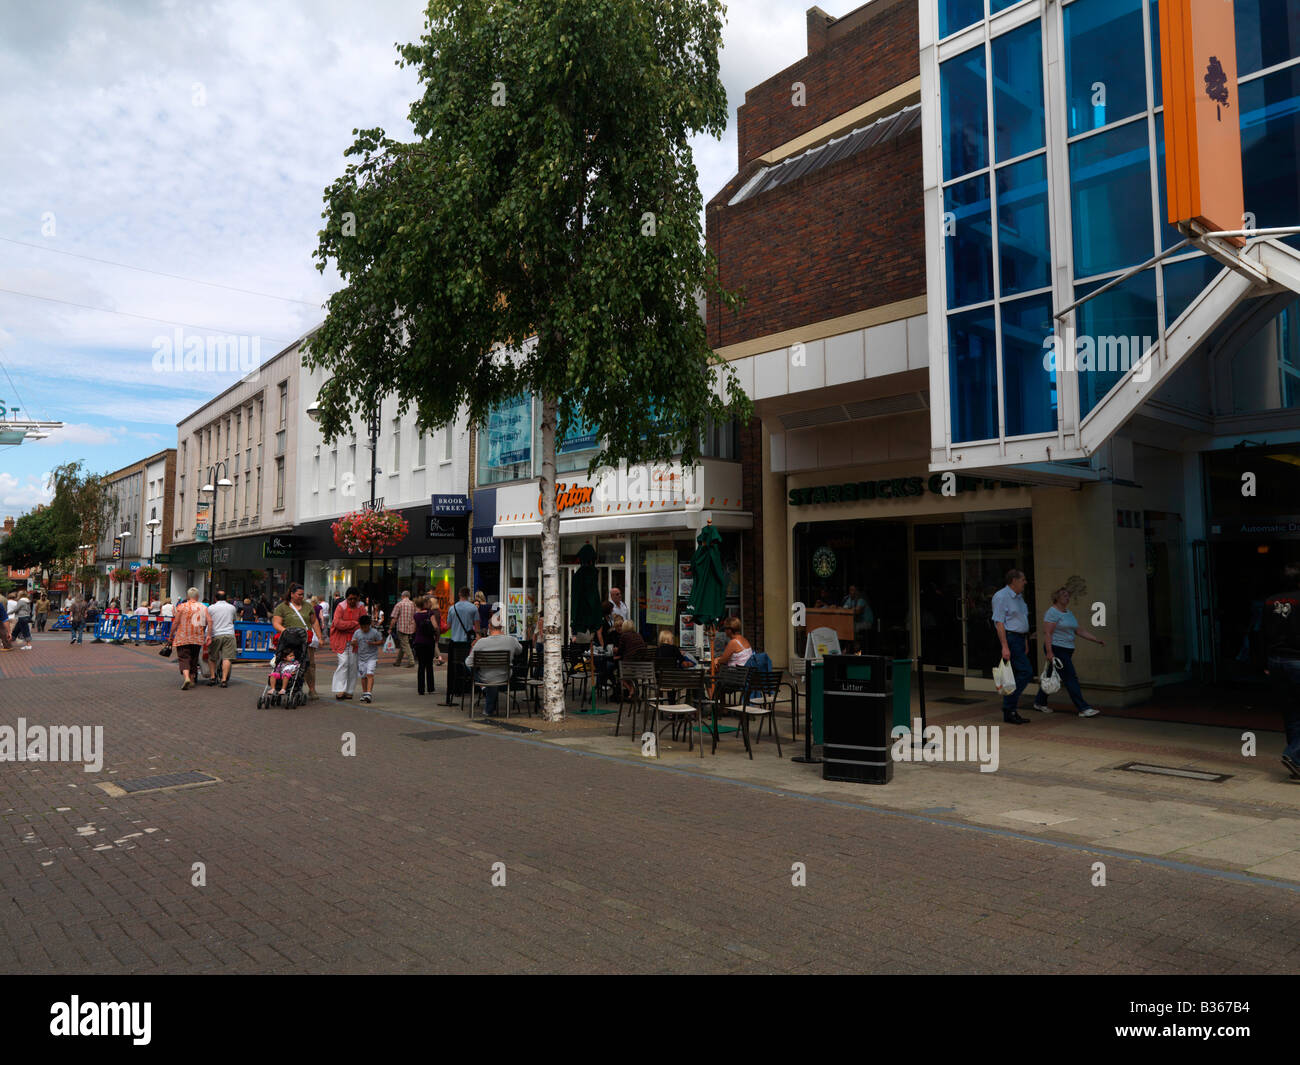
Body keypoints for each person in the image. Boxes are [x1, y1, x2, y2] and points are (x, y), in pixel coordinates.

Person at [1036, 587, 1104, 717]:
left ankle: (1039, 702)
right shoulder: (1052, 612)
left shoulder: (1068, 613)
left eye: (1068, 595)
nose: (1067, 597)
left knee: (1050, 676)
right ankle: (1083, 708)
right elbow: (1048, 633)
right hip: (1056, 648)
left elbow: (1079, 630)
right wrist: (1049, 652)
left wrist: (1096, 640)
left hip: (1067, 650)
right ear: (1057, 597)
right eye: (1064, 595)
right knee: (1070, 677)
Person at [1264, 564, 1300, 780]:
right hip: (1297, 660)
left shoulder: (1270, 601)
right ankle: (1293, 754)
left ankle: (1297, 764)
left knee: (1293, 713)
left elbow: (1263, 632)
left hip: (1276, 661)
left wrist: (1265, 663)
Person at [993, 568, 1037, 725]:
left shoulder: (1019, 598)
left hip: (1019, 638)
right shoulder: (1001, 597)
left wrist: (1025, 640)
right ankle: (1009, 706)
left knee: (1021, 672)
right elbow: (999, 622)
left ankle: (1009, 708)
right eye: (1023, 579)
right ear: (1014, 581)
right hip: (1010, 638)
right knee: (1026, 672)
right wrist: (1005, 646)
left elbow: (1022, 619)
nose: (1025, 582)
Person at [465, 613, 522, 717]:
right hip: (505, 676)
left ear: (489, 626)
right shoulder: (511, 640)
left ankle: (484, 688)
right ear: (502, 626)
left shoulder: (481, 642)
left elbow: (469, 663)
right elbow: (519, 651)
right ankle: (487, 705)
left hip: (485, 677)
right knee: (494, 677)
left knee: (470, 666)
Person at [272, 583, 322, 700]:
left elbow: (314, 622)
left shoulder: (308, 606)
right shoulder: (282, 607)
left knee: (309, 665)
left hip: (305, 640)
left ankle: (312, 689)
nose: (301, 597)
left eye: (302, 595)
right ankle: (284, 686)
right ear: (292, 594)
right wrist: (287, 632)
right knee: (287, 663)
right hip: (288, 641)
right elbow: (276, 623)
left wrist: (319, 637)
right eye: (299, 594)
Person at [168, 588, 211, 690]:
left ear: (188, 596)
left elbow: (176, 622)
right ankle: (192, 679)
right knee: (194, 658)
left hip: (183, 637)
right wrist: (208, 634)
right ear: (198, 596)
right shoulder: (203, 607)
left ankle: (186, 677)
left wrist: (171, 635)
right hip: (197, 637)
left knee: (184, 658)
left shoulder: (182, 607)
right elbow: (210, 620)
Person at [445, 587, 479, 705]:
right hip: (468, 642)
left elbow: (448, 625)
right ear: (469, 595)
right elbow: (477, 627)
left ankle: (456, 689)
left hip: (455, 641)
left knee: (456, 665)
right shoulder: (473, 608)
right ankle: (467, 687)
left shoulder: (452, 608)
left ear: (459, 594)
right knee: (467, 663)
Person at [329, 586, 364, 700]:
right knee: (343, 663)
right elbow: (337, 623)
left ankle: (349, 690)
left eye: (354, 599)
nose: (352, 601)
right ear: (346, 598)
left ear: (358, 598)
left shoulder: (361, 607)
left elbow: (363, 625)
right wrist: (354, 623)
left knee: (353, 666)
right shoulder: (341, 606)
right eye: (350, 599)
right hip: (341, 640)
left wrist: (347, 625)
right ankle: (340, 690)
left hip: (355, 641)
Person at [206, 590, 238, 688]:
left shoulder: (211, 608)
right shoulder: (232, 608)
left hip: (216, 634)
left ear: (215, 598)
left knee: (212, 657)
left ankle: (212, 677)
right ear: (226, 598)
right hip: (229, 634)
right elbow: (234, 620)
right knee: (227, 658)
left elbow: (208, 621)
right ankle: (224, 680)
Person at [413, 595, 445, 696]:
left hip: (418, 642)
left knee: (421, 666)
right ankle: (431, 688)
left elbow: (414, 629)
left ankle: (421, 689)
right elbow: (436, 627)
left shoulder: (416, 615)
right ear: (425, 604)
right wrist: (437, 638)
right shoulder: (430, 614)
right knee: (429, 665)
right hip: (428, 642)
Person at [352, 614, 385, 703]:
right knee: (363, 676)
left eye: (366, 627)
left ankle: (369, 693)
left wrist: (373, 643)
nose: (364, 629)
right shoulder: (357, 633)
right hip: (361, 657)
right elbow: (353, 643)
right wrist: (353, 643)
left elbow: (381, 641)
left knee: (370, 674)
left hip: (372, 657)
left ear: (369, 625)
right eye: (362, 627)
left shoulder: (374, 632)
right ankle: (364, 692)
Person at [842, 584, 873, 652]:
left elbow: (858, 611)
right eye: (850, 590)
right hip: (856, 622)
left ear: (857, 592)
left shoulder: (861, 600)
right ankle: (847, 648)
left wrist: (850, 609)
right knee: (845, 627)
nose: (850, 592)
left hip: (866, 622)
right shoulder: (849, 599)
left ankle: (856, 646)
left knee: (852, 627)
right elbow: (844, 608)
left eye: (853, 590)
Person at [390, 590, 417, 668]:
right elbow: (415, 616)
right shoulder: (413, 604)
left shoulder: (399, 604)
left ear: (402, 596)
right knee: (404, 644)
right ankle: (398, 661)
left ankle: (411, 661)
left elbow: (394, 618)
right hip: (410, 628)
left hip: (401, 628)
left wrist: (390, 628)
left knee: (405, 644)